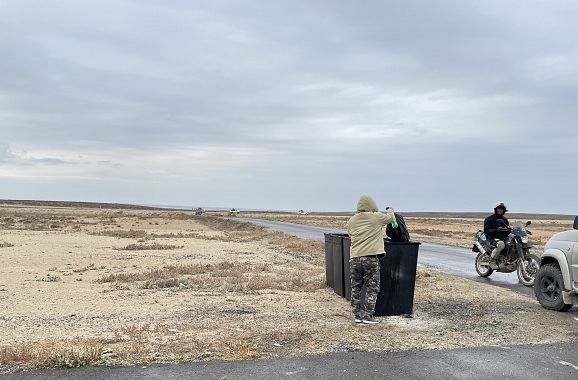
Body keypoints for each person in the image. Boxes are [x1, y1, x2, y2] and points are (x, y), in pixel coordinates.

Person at [346, 195, 396, 324]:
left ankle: (357, 315)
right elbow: (390, 219)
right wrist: (390, 210)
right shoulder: (376, 217)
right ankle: (368, 316)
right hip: (370, 258)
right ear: (372, 205)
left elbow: (350, 233)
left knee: (356, 287)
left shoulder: (352, 220)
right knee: (372, 287)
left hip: (355, 258)